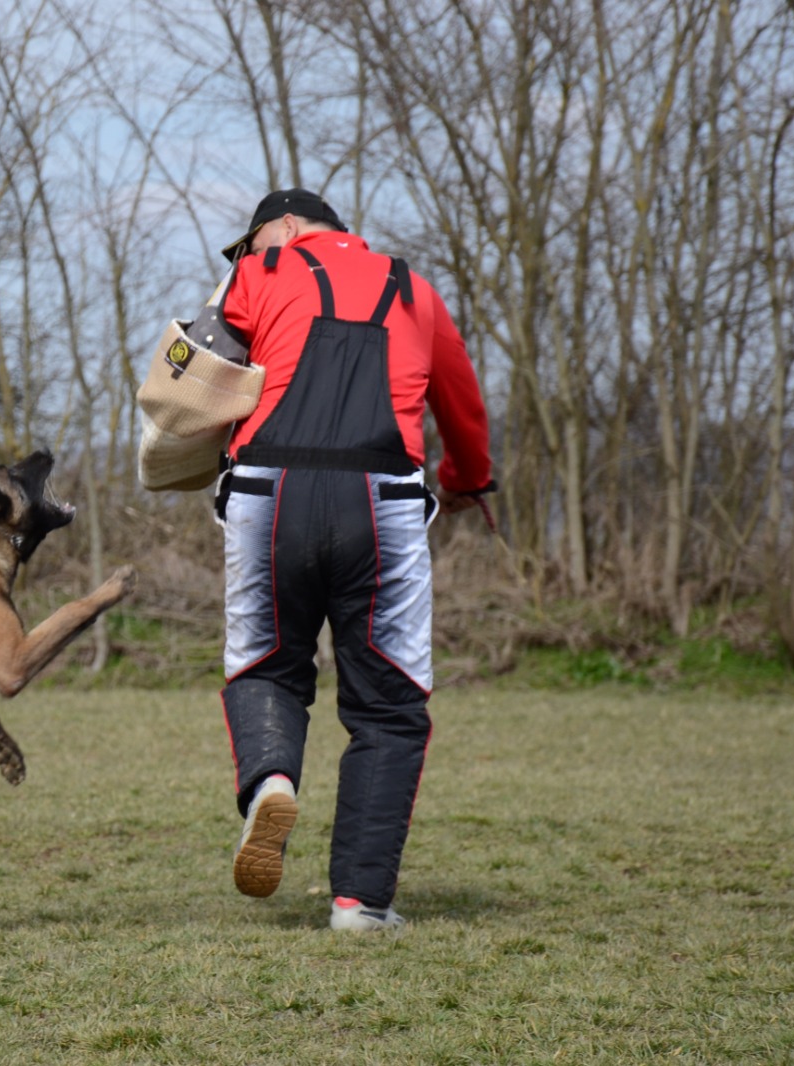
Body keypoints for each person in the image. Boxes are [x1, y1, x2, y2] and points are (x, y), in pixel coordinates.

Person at [210, 188, 494, 932]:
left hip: (267, 490)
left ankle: (272, 780)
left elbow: (201, 358)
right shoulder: (416, 291)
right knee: (388, 704)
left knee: (266, 665)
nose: (248, 253)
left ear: (291, 228)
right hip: (383, 496)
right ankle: (361, 904)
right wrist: (468, 482)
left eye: (254, 239)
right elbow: (461, 401)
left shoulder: (260, 273)